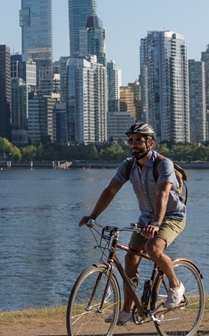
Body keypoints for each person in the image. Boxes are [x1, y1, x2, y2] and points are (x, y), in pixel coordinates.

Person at [79, 122, 187, 325]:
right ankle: (127, 311)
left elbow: (163, 195)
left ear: (150, 143)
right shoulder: (128, 165)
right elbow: (110, 190)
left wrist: (156, 223)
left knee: (153, 248)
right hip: (146, 219)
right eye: (131, 141)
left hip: (171, 217)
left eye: (139, 140)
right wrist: (93, 216)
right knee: (130, 258)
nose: (134, 144)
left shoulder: (163, 164)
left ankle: (176, 286)